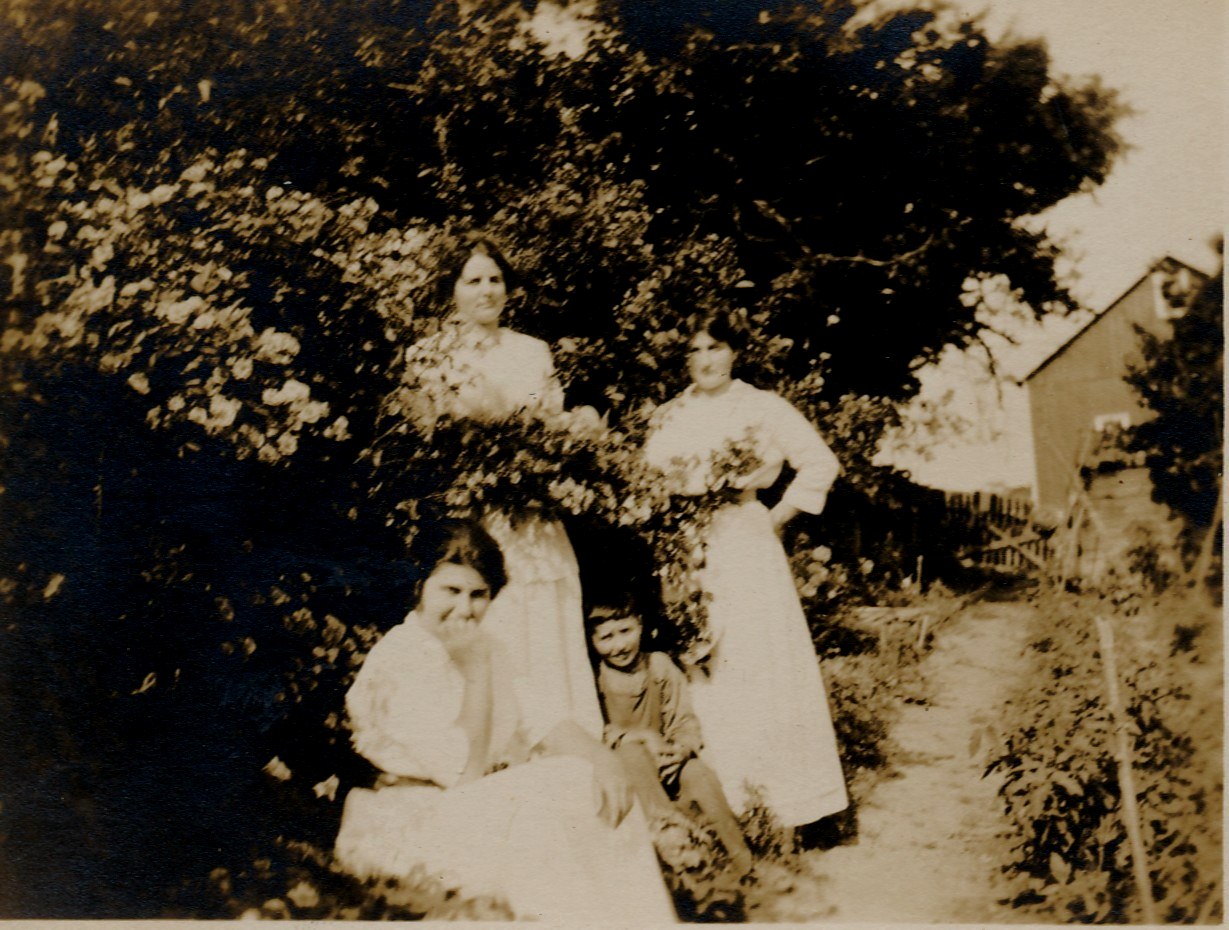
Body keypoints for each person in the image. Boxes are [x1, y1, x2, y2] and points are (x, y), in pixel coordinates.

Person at [334, 519, 675, 922]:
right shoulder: (401, 657)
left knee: (595, 779)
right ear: (420, 586)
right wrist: (477, 670)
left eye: (478, 595)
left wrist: (605, 760)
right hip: (405, 820)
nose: (465, 609)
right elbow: (464, 773)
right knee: (550, 794)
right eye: (451, 591)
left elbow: (542, 717)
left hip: (467, 806)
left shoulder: (488, 647)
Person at [396, 232, 606, 762]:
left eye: (495, 280)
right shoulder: (431, 355)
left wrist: (563, 437)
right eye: (474, 281)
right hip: (474, 519)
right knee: (496, 632)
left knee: (546, 633)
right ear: (452, 289)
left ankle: (571, 767)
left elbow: (545, 425)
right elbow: (427, 438)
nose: (487, 290)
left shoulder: (531, 351)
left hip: (534, 520)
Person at [642, 310, 849, 829]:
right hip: (686, 546)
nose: (705, 360)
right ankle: (721, 800)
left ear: (734, 351)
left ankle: (783, 804)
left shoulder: (763, 406)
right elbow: (646, 482)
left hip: (744, 538)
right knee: (705, 662)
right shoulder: (668, 415)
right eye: (694, 350)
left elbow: (821, 462)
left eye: (715, 347)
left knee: (758, 660)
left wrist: (775, 517)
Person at [588, 601, 754, 877]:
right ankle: (678, 855)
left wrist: (682, 750)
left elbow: (684, 719)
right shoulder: (595, 680)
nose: (619, 645)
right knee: (632, 754)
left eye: (626, 631)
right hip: (627, 770)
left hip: (666, 760)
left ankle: (741, 863)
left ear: (640, 624)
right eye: (606, 637)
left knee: (699, 774)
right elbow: (595, 731)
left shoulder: (658, 666)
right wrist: (640, 736)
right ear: (592, 641)